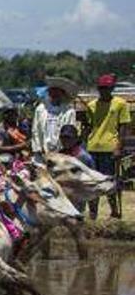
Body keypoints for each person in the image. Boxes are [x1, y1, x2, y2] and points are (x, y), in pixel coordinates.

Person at [83, 74, 129, 218]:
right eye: (101, 88)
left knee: (109, 182)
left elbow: (123, 127)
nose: (103, 91)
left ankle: (114, 211)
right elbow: (88, 127)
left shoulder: (121, 104)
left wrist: (118, 147)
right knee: (91, 183)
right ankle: (93, 213)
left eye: (107, 88)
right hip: (92, 147)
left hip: (110, 148)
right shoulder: (91, 105)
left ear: (112, 88)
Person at [32, 77, 78, 155]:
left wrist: (65, 149)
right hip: (43, 149)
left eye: (57, 91)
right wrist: (38, 147)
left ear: (63, 93)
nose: (54, 94)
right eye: (52, 91)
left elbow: (70, 131)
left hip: (61, 150)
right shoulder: (41, 109)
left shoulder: (69, 111)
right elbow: (36, 130)